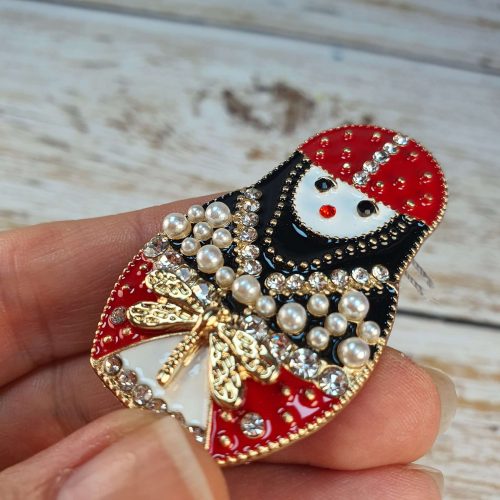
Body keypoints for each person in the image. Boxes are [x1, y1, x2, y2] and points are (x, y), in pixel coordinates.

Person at [0, 195, 457, 499]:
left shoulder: (358, 300)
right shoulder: (231, 224)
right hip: (151, 350)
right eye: (322, 187)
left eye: (363, 208)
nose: (331, 209)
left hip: (223, 403)